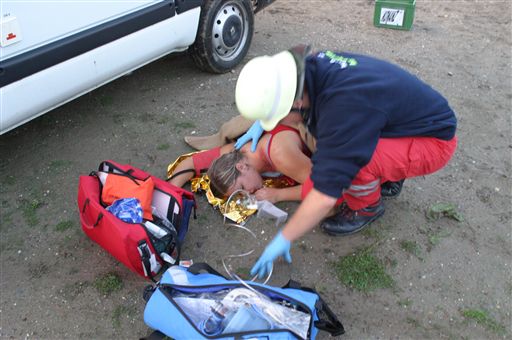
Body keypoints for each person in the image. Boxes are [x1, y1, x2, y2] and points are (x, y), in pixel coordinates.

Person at [234, 45, 458, 278]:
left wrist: (285, 236)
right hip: (409, 122)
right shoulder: (310, 68)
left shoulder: (342, 108)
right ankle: (391, 175)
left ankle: (367, 208)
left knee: (355, 160)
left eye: (279, 116)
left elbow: (325, 193)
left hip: (433, 142)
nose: (280, 123)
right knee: (350, 143)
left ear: (297, 102)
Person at [169, 123, 312, 203]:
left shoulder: (279, 154)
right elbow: (191, 162)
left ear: (241, 167)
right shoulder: (236, 153)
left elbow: (326, 187)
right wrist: (171, 193)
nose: (248, 193)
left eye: (242, 187)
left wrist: (279, 195)